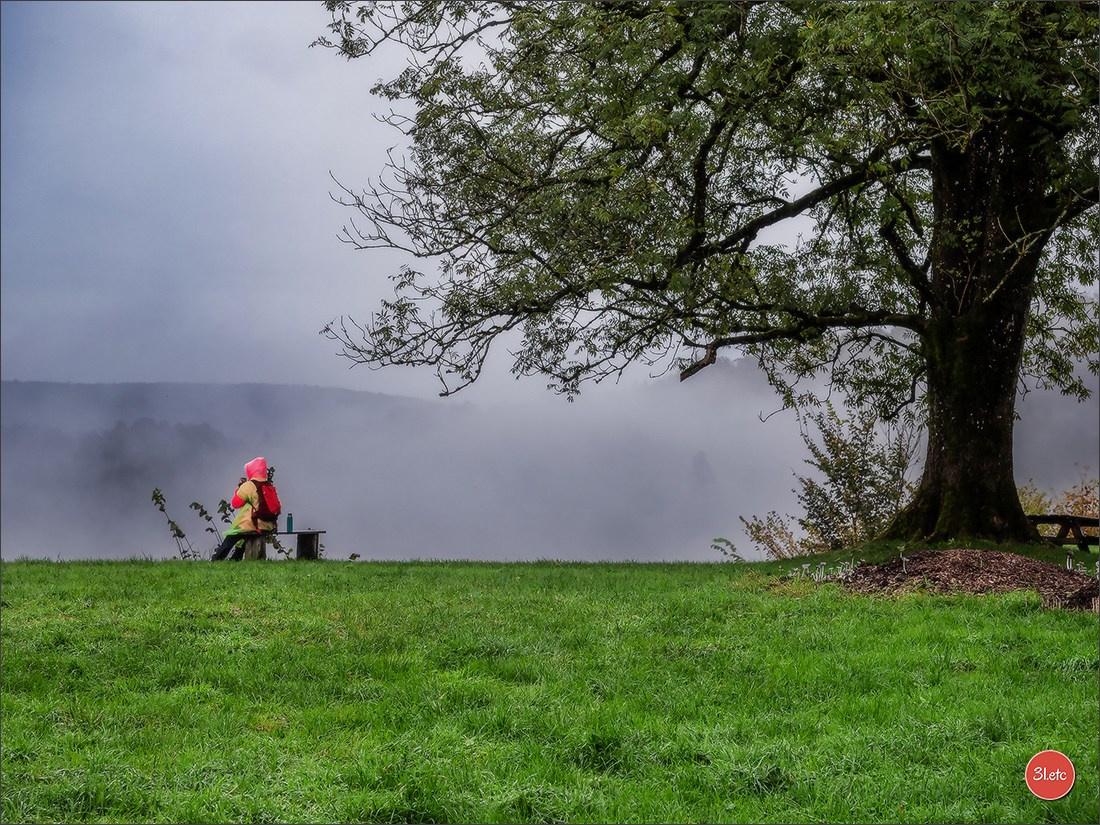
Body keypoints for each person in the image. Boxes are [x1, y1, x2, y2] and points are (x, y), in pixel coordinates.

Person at [211, 456, 278, 561]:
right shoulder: (270, 486)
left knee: (233, 535)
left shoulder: (249, 485)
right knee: (245, 535)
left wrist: (239, 489)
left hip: (253, 523)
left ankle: (217, 559)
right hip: (268, 524)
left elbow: (235, 503)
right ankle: (235, 558)